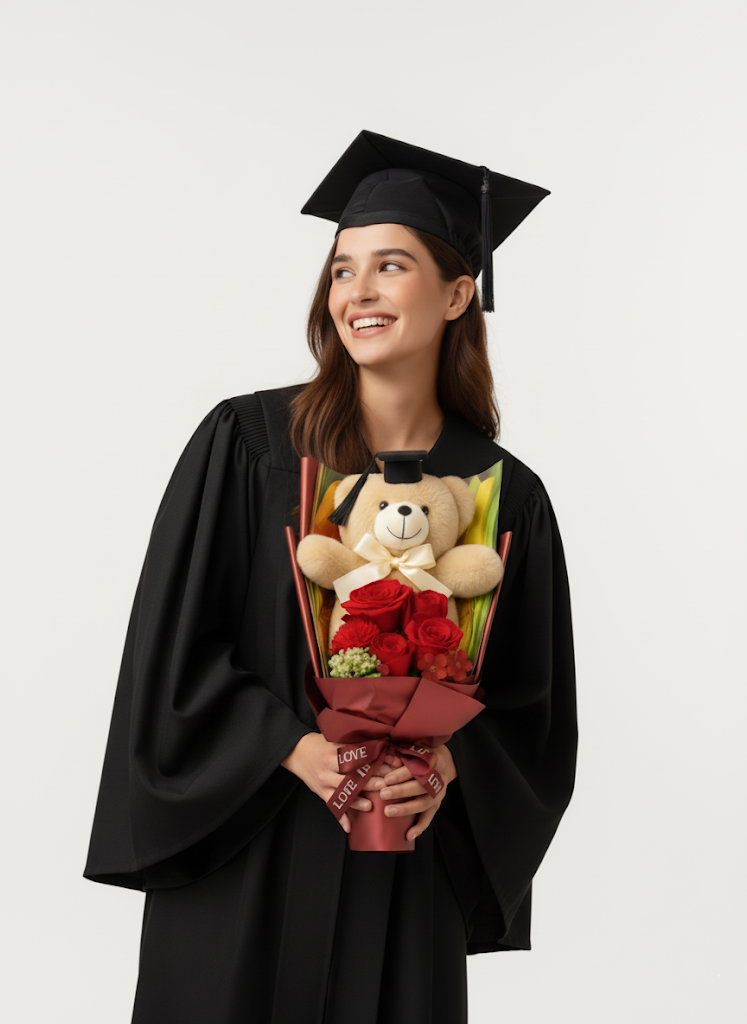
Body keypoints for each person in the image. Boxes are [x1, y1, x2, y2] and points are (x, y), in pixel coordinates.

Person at [85, 130, 577, 1024]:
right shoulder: (248, 446)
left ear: (457, 294)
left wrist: (444, 767)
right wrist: (295, 747)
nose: (358, 292)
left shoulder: (505, 496)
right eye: (343, 270)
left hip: (399, 870)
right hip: (245, 848)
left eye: (391, 266)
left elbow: (529, 709)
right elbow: (171, 652)